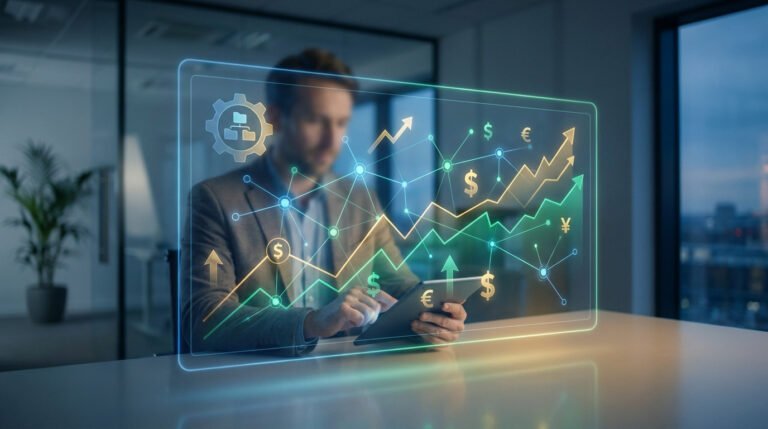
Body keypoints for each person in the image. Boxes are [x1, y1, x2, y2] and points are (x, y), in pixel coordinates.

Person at [182, 48, 467, 356]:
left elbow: (399, 284)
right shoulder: (216, 199)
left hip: (347, 380)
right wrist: (311, 323)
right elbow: (202, 320)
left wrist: (434, 314)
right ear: (276, 118)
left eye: (341, 122)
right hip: (256, 381)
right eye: (316, 120)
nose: (333, 140)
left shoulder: (361, 200)